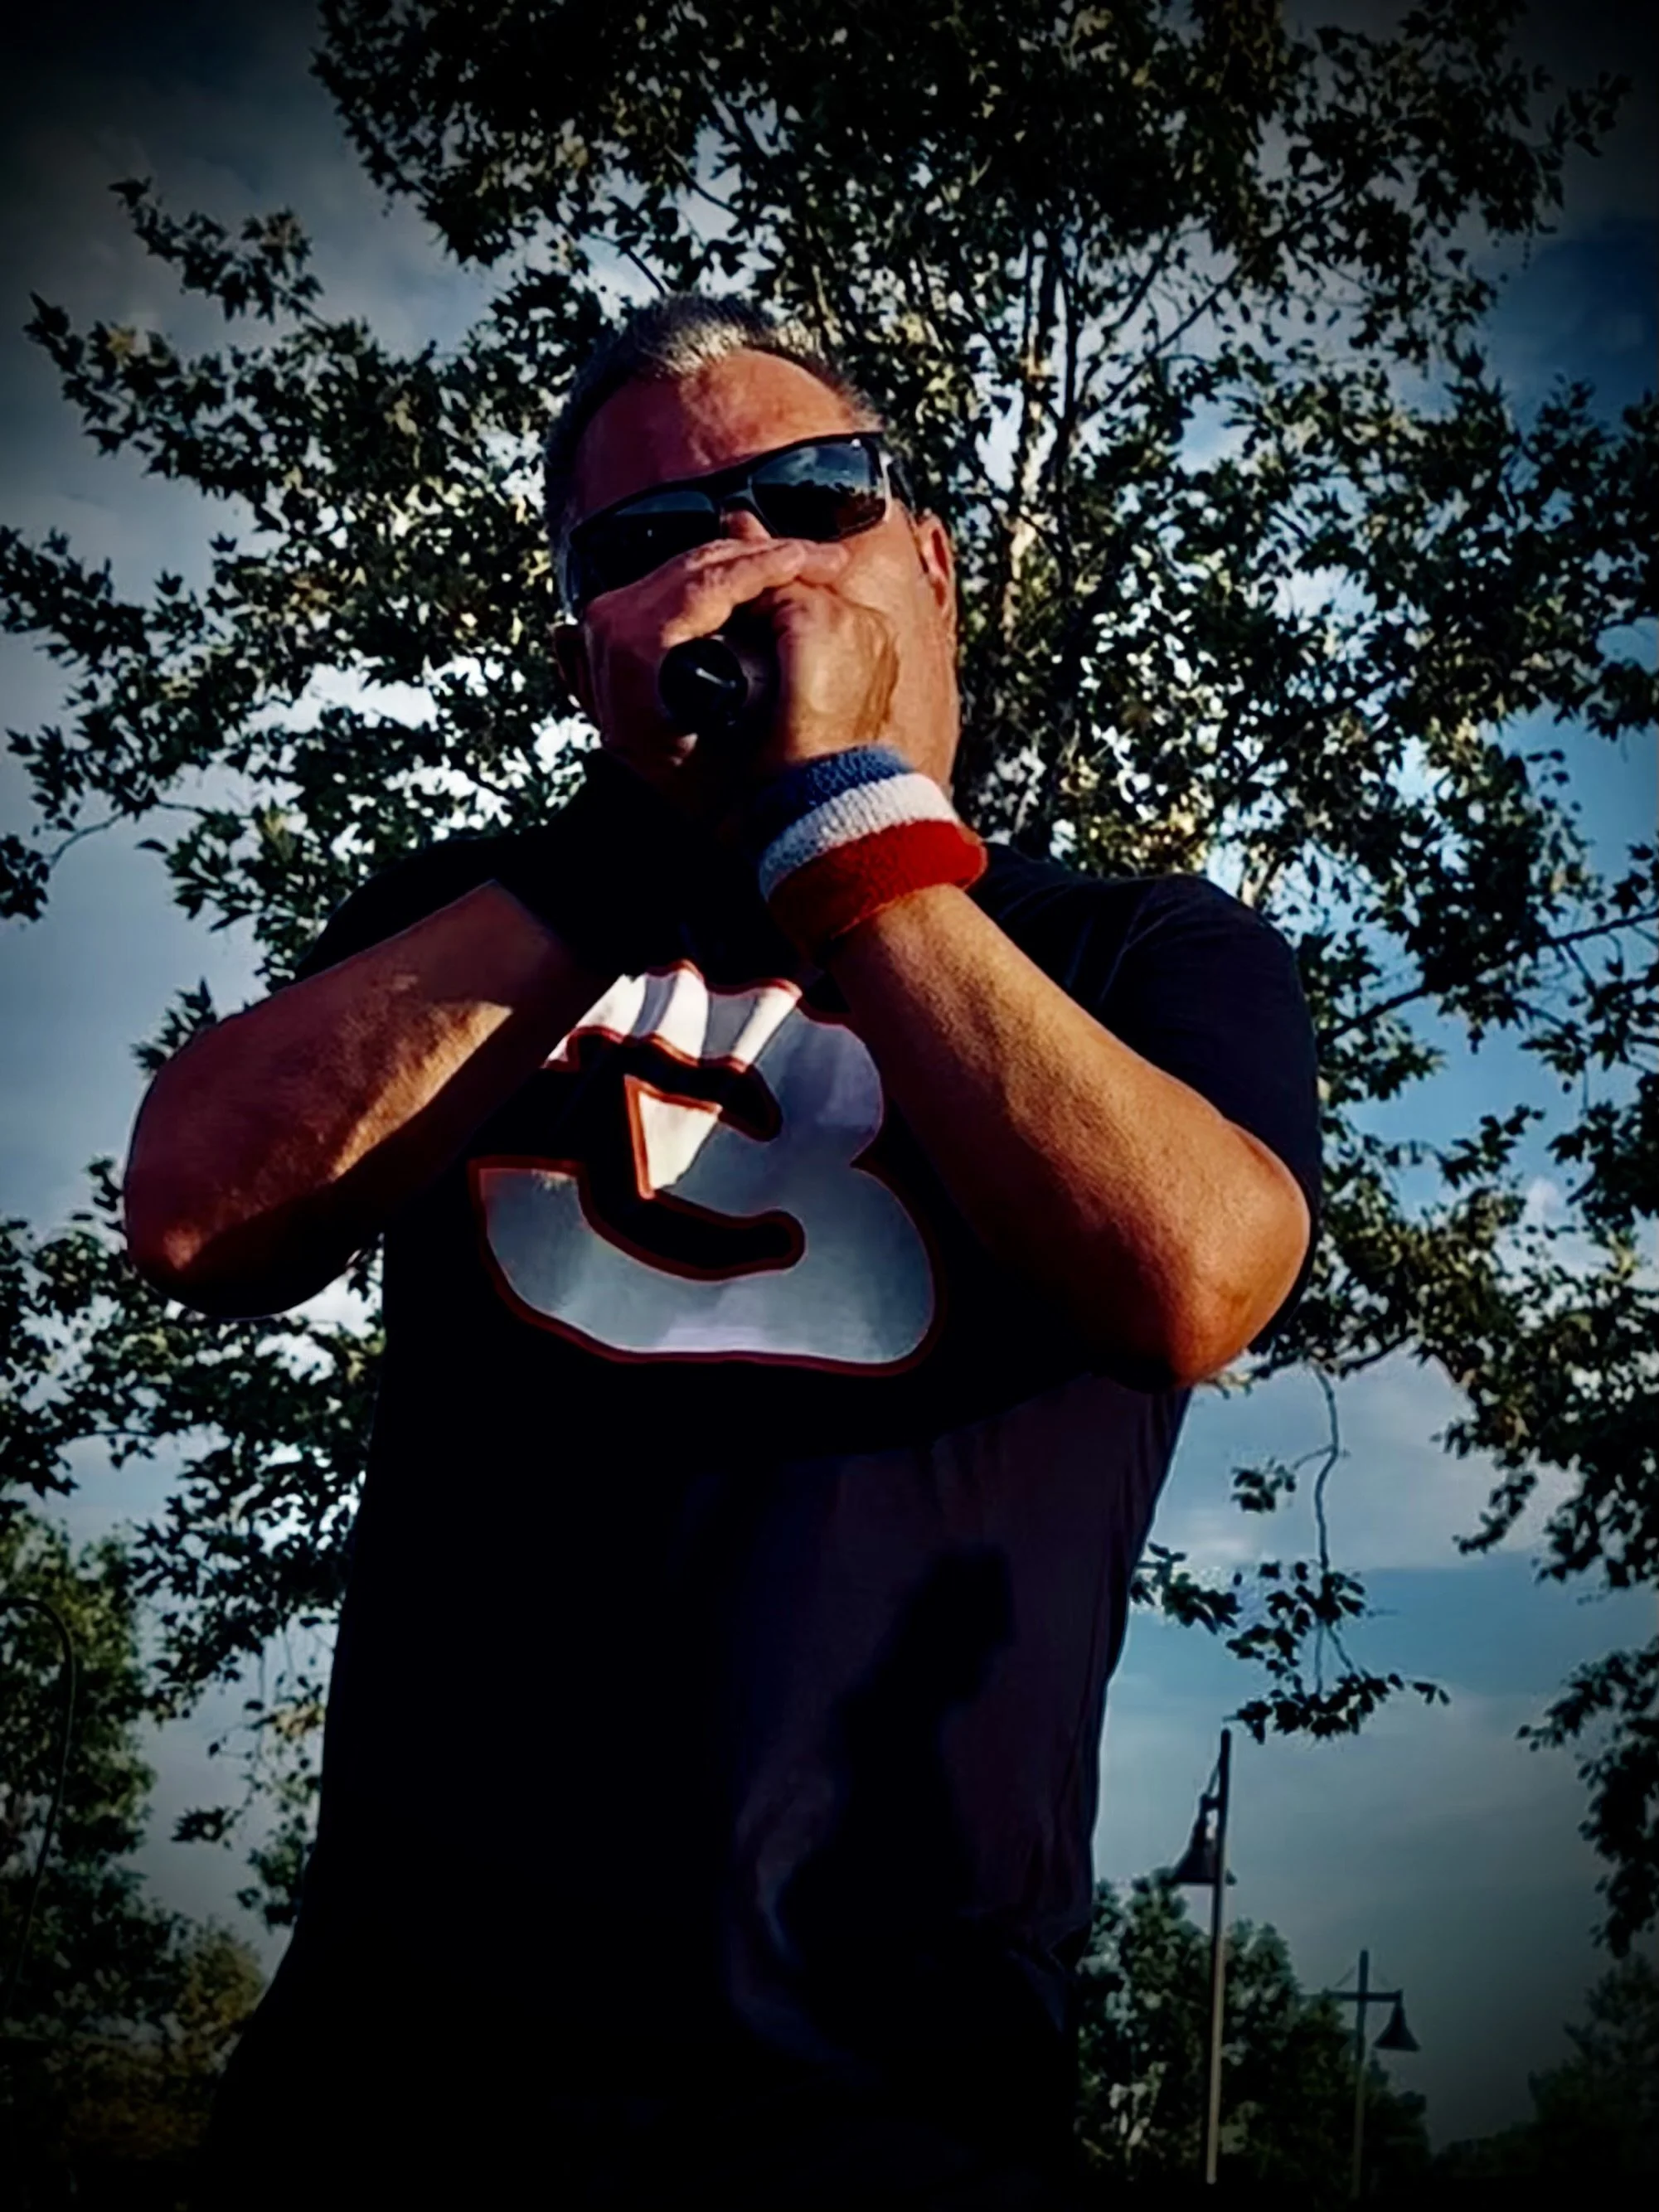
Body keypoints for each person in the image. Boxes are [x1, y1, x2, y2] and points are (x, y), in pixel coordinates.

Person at [126, 294, 1319, 2208]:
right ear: (589, 641)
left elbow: (1192, 1272)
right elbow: (198, 1210)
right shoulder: (479, 927)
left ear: (931, 562)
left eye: (813, 493)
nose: (742, 554)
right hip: (392, 2100)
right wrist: (650, 835)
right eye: (652, 537)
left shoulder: (1137, 954)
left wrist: (839, 824)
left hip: (891, 2109)